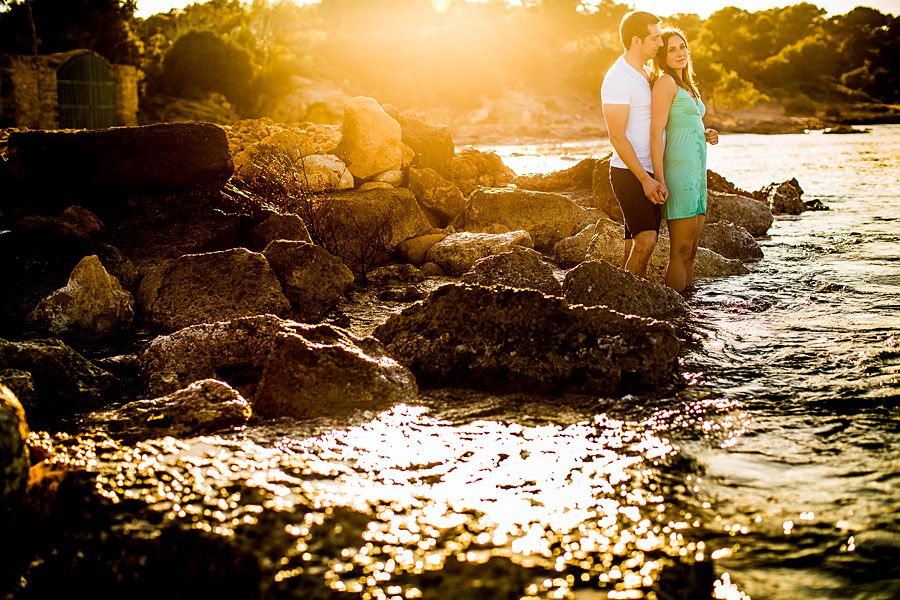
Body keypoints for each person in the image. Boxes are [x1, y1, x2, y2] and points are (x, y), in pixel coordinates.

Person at [649, 27, 719, 292]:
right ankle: (676, 309)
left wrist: (706, 133)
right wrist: (658, 178)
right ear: (662, 57)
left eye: (682, 47)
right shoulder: (665, 82)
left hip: (698, 174)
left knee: (692, 251)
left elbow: (686, 125)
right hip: (678, 174)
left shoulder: (689, 86)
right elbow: (656, 133)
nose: (679, 53)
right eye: (671, 50)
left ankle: (689, 307)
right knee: (680, 249)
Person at [600, 10, 666, 278]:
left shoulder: (646, 72)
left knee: (633, 242)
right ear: (637, 40)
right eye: (655, 38)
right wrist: (645, 179)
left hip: (651, 170)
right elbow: (616, 136)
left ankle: (626, 303)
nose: (660, 44)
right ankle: (630, 295)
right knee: (647, 240)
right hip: (630, 173)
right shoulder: (618, 78)